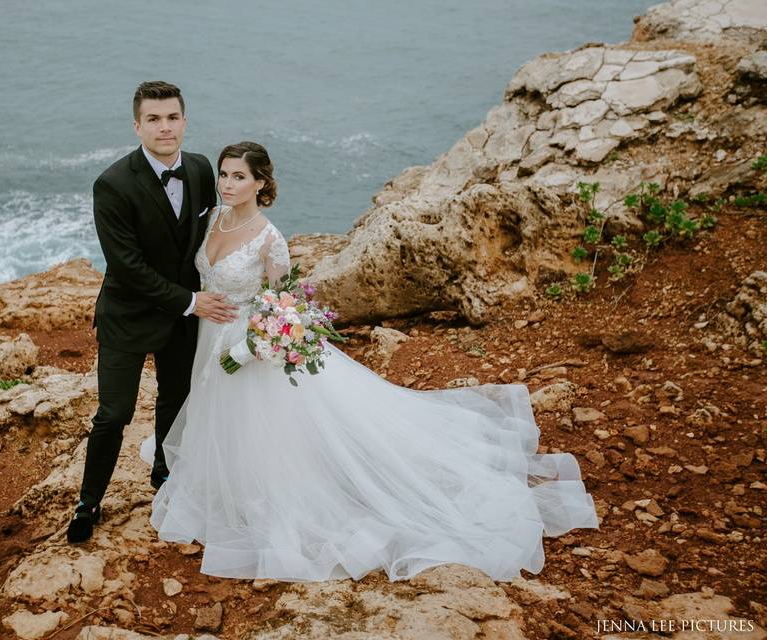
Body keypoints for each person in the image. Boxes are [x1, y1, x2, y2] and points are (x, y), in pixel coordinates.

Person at [140, 141, 600, 582]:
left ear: (261, 183)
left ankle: (271, 496)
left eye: (239, 176)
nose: (226, 183)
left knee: (264, 429)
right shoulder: (212, 219)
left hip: (247, 347)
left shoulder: (270, 239)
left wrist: (249, 347)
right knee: (216, 418)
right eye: (223, 174)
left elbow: (285, 307)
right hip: (207, 336)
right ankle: (220, 482)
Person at [67, 81, 238, 544]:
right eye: (154, 119)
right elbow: (128, 265)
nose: (165, 127)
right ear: (137, 126)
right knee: (113, 413)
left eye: (172, 117)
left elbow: (212, 234)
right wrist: (190, 300)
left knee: (176, 400)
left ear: (184, 120)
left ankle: (165, 478)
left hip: (184, 319)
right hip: (129, 315)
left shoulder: (202, 168)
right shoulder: (113, 184)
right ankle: (89, 502)